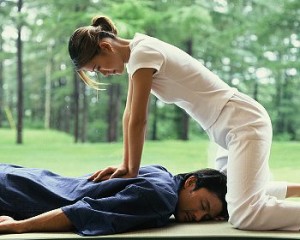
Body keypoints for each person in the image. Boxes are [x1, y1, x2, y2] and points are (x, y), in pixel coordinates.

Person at [68, 16, 300, 231]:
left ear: (106, 47)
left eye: (98, 67)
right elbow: (129, 115)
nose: (104, 73)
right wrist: (126, 167)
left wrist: (132, 173)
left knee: (245, 215)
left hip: (243, 123)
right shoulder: (137, 55)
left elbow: (139, 119)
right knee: (225, 190)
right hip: (228, 129)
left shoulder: (143, 53)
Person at [0, 163, 228, 236]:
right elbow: (83, 212)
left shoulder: (161, 173)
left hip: (22, 178)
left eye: (206, 216)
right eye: (203, 206)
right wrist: (18, 227)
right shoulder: (162, 199)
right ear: (191, 182)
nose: (198, 217)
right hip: (14, 194)